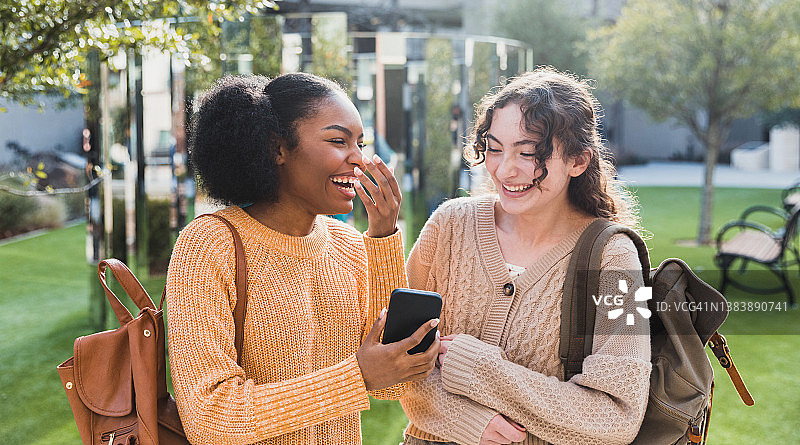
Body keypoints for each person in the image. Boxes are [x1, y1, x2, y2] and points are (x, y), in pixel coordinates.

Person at [166, 73, 440, 445]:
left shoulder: (348, 245)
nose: (358, 159)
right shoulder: (210, 246)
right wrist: (356, 377)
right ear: (277, 148)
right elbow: (212, 418)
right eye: (338, 141)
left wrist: (383, 237)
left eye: (360, 143)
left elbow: (391, 385)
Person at [400, 67, 651, 445]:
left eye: (529, 153)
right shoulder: (448, 225)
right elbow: (397, 354)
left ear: (578, 161)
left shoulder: (616, 259)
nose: (505, 169)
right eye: (495, 149)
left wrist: (482, 371)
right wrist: (466, 421)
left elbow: (616, 416)